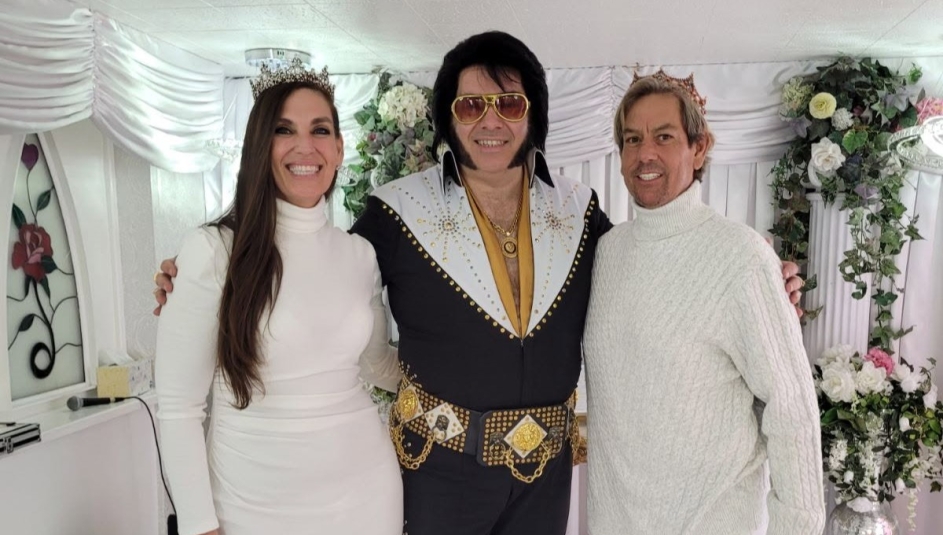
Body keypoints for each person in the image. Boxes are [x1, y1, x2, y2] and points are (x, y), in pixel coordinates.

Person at [154, 32, 806, 535]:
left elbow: (651, 259)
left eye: (508, 102)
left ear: (533, 114)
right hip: (437, 471)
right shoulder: (392, 213)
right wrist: (203, 281)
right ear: (448, 116)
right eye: (471, 103)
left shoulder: (580, 212)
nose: (489, 120)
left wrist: (759, 275)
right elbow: (312, 268)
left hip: (544, 480)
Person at [154, 60, 403, 535]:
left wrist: (461, 364)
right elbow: (179, 408)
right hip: (253, 502)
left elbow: (375, 367)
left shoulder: (360, 254)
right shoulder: (212, 251)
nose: (304, 146)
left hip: (367, 493)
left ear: (338, 148)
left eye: (320, 129)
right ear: (259, 146)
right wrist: (198, 523)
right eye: (284, 129)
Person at [584, 72, 825, 534]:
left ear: (699, 147)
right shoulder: (607, 254)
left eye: (664, 136)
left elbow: (791, 410)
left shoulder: (742, 255)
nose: (645, 153)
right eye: (632, 139)